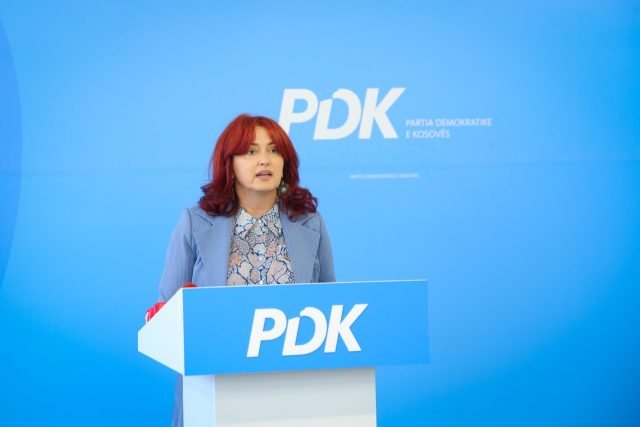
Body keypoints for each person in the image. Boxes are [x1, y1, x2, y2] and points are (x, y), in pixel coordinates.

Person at [150, 114, 336, 427]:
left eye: (274, 150)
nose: (265, 160)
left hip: (292, 390)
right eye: (251, 151)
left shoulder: (310, 223)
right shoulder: (195, 222)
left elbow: (331, 310)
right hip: (216, 391)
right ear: (230, 164)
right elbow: (167, 312)